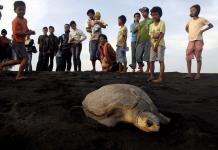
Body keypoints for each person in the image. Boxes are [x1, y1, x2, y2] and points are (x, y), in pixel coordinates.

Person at [0, 1, 35, 80]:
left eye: (24, 10)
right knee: (26, 58)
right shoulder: (15, 21)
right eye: (20, 9)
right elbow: (17, 33)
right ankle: (19, 75)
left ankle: (2, 65)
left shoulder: (25, 20)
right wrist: (27, 32)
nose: (22, 11)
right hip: (17, 43)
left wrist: (30, 31)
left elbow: (26, 29)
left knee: (19, 60)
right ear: (15, 10)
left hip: (21, 42)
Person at [184, 4, 213, 80]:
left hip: (199, 40)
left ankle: (198, 74)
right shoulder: (189, 21)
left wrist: (202, 31)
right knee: (188, 56)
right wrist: (190, 33)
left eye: (193, 10)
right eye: (191, 10)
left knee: (198, 57)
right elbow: (186, 28)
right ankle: (189, 74)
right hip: (190, 40)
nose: (191, 11)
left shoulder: (202, 19)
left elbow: (211, 25)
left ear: (197, 11)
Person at [148, 6, 166, 83]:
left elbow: (162, 34)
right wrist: (152, 45)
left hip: (160, 44)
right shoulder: (151, 25)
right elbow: (150, 37)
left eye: (156, 14)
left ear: (160, 15)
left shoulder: (162, 23)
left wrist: (157, 43)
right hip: (153, 45)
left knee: (160, 60)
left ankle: (160, 78)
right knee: (151, 60)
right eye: (152, 14)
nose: (154, 16)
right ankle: (152, 75)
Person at [136, 7, 153, 72]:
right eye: (142, 12)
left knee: (147, 56)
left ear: (148, 12)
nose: (143, 13)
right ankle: (141, 68)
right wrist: (137, 42)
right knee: (137, 55)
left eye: (144, 12)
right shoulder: (140, 23)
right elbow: (139, 33)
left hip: (149, 40)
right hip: (141, 41)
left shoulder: (151, 20)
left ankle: (148, 69)